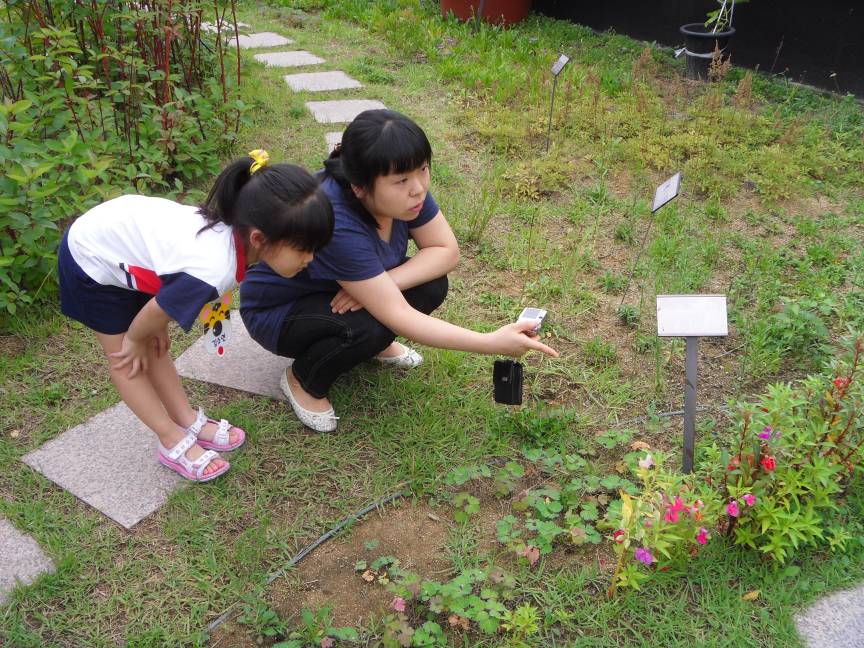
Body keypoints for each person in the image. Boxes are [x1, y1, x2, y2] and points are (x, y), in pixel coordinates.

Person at [240, 110, 557, 433]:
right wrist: (490, 342)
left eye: (423, 169)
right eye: (402, 180)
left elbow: (446, 251)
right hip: (281, 312)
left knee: (430, 284)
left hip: (335, 289)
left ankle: (372, 337)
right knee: (366, 326)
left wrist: (381, 286)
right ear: (360, 186)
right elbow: (399, 314)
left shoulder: (406, 194)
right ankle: (304, 380)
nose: (418, 188)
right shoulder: (336, 219)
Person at [58, 151, 334, 481]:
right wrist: (135, 337)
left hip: (124, 244)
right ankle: (169, 437)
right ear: (260, 238)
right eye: (304, 249)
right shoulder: (213, 268)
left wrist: (152, 325)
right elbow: (158, 309)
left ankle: (185, 419)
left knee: (155, 344)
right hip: (91, 260)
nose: (311, 258)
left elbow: (160, 306)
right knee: (126, 359)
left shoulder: (232, 238)